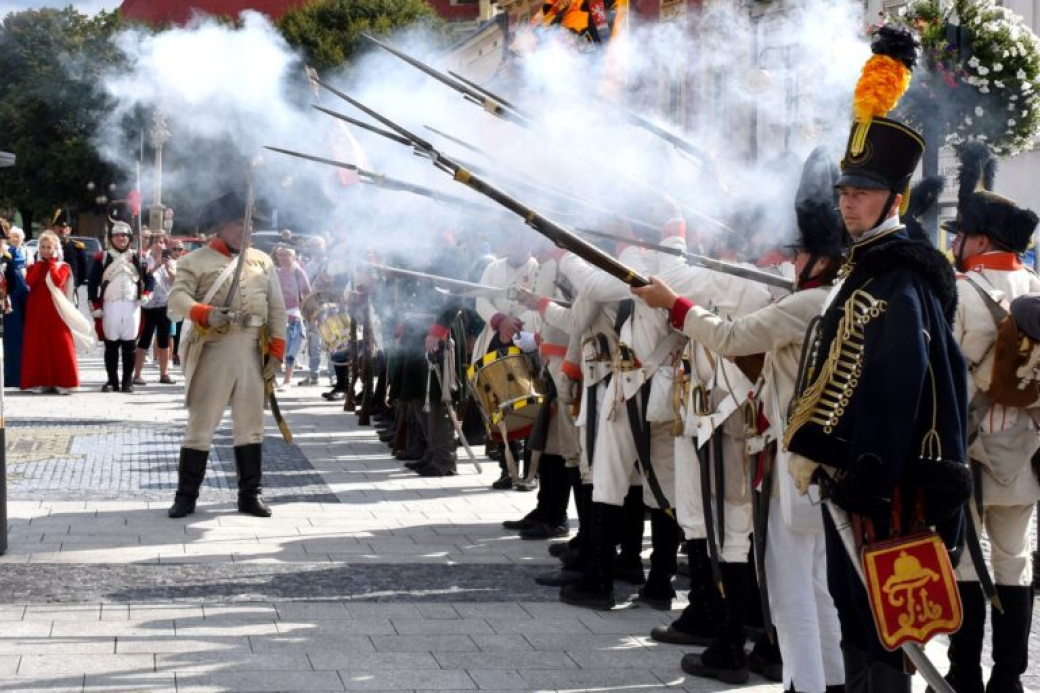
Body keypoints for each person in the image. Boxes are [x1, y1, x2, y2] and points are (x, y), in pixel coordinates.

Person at [783, 25, 971, 692]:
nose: (847, 201)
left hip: (885, 485)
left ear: (894, 197)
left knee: (878, 625)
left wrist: (863, 471)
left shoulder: (896, 276)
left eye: (861, 191)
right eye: (844, 191)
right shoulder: (874, 268)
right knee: (860, 621)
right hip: (865, 477)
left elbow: (895, 383)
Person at [633, 147, 847, 692]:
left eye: (802, 253)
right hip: (795, 449)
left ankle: (785, 668)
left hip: (785, 452)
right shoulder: (821, 293)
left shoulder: (795, 296)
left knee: (792, 581)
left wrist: (674, 232)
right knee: (808, 583)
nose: (793, 262)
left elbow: (723, 333)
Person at [942, 142, 1040, 693]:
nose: (955, 244)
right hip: (1025, 450)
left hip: (968, 451)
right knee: (1014, 562)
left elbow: (946, 384)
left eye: (961, 236)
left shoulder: (958, 294)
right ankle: (1009, 678)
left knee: (964, 567)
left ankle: (963, 674)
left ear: (980, 241)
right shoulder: (1037, 289)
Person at [166, 191, 287, 519]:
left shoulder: (262, 260)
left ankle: (250, 495)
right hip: (213, 349)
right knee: (201, 425)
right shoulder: (194, 261)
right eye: (240, 224)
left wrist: (276, 350)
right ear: (221, 226)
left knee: (251, 426)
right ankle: (186, 496)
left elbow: (277, 309)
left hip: (251, 350)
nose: (247, 230)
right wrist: (203, 312)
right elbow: (177, 299)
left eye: (250, 224)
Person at [21, 231, 93, 394]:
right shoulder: (34, 266)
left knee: (60, 343)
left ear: (55, 249)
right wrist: (40, 263)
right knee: (38, 345)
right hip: (36, 312)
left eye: (49, 247)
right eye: (43, 247)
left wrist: (52, 262)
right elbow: (30, 282)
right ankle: (41, 381)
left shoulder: (63, 266)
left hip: (56, 310)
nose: (45, 250)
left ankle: (64, 381)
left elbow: (57, 280)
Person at [88, 222, 152, 393]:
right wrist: (94, 305)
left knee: (130, 345)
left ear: (129, 238)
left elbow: (149, 279)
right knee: (111, 345)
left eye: (124, 235)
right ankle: (112, 381)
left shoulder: (138, 257)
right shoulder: (102, 258)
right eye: (117, 235)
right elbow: (92, 284)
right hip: (111, 305)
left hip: (132, 305)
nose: (121, 238)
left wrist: (146, 294)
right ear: (111, 238)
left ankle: (127, 382)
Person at [134, 233, 177, 385]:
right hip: (148, 305)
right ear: (150, 245)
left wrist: (168, 268)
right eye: (157, 242)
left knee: (164, 340)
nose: (160, 245)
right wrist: (157, 266)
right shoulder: (144, 260)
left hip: (164, 304)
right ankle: (137, 374)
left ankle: (164, 374)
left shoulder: (171, 262)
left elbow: (175, 282)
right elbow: (142, 278)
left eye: (162, 242)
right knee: (144, 339)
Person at [272, 243, 311, 389]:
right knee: (275, 347)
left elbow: (307, 292)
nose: (282, 258)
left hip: (293, 313)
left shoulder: (298, 272)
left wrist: (304, 311)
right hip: (276, 313)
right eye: (280, 255)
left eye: (286, 255)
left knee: (291, 349)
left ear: (293, 256)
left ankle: (287, 380)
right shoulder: (274, 272)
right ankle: (273, 378)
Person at [52, 210, 86, 290]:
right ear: (54, 228)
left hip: (70, 288)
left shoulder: (77, 248)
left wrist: (74, 284)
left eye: (65, 227)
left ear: (70, 229)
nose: (62, 230)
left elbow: (83, 271)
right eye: (59, 227)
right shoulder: (47, 247)